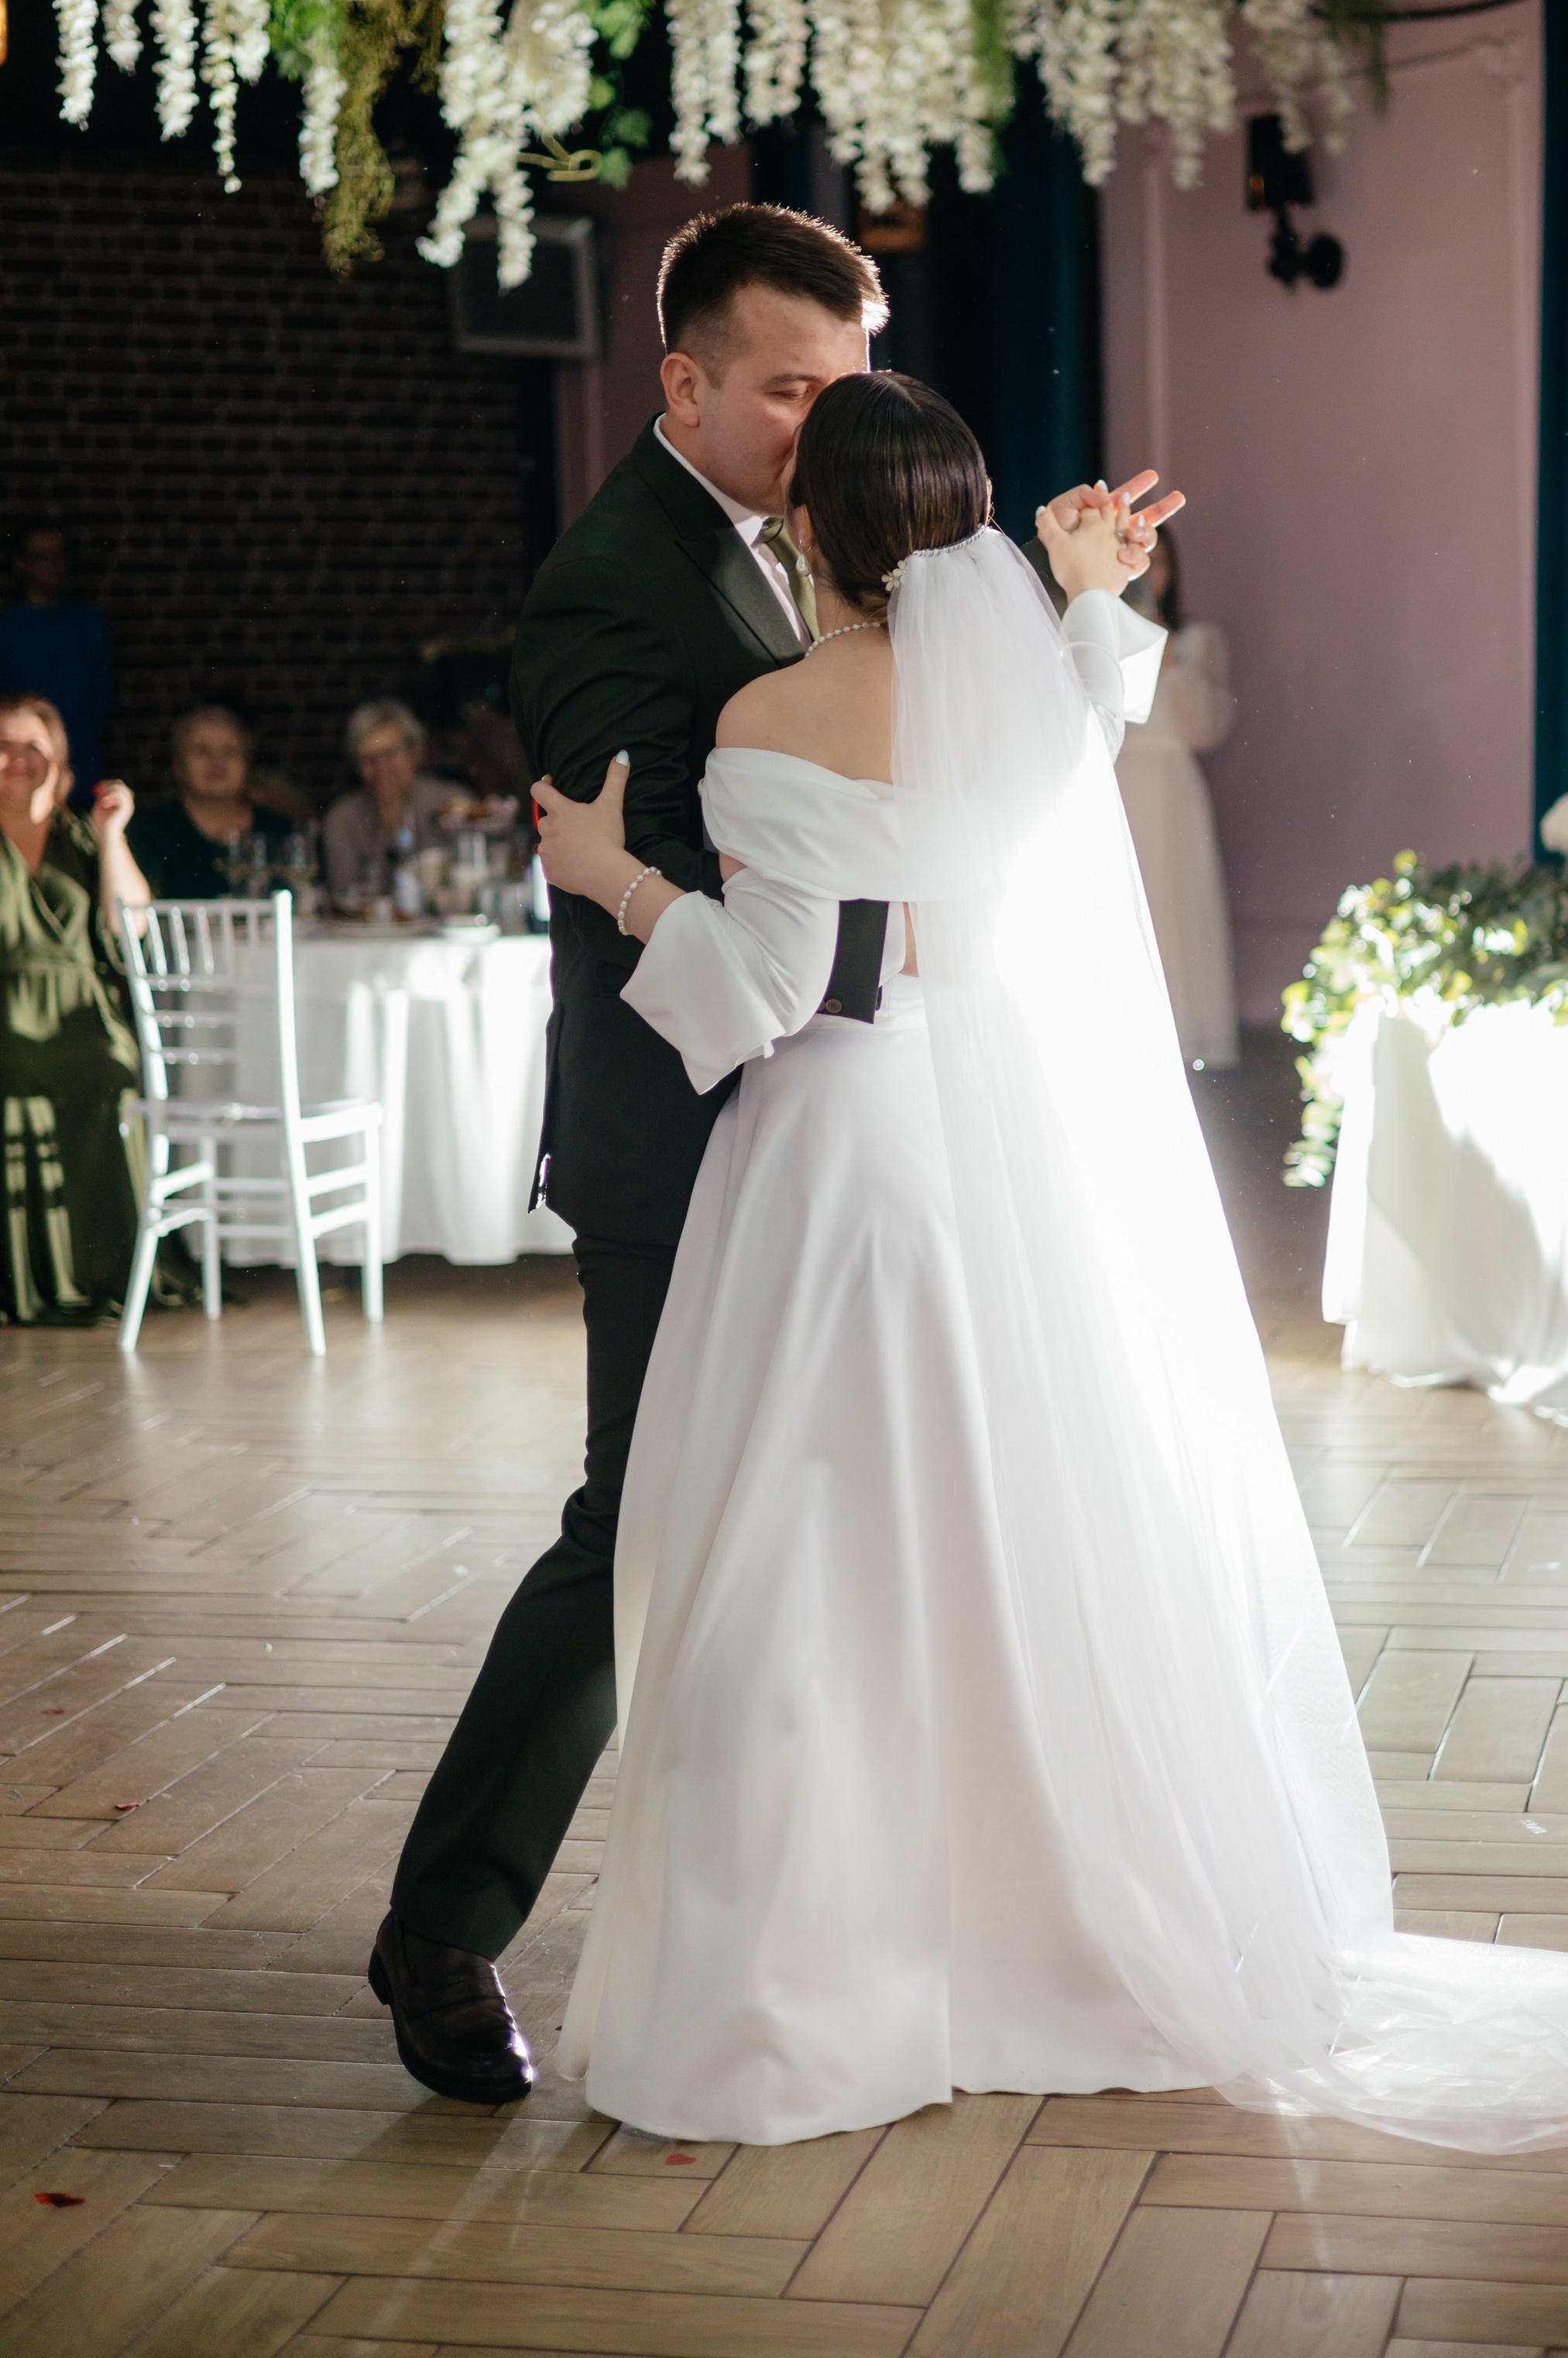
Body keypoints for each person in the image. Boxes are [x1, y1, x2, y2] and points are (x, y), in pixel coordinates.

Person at [528, 375, 1568, 2150]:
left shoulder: (769, 713)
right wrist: (1083, 592)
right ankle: (1039, 1935)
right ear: (956, 526)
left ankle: (807, 1981)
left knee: (807, 1562)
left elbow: (766, 990)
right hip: (1008, 1159)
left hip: (837, 1158)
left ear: (811, 528)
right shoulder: (1025, 711)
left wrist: (612, 875)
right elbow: (1086, 712)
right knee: (1010, 1536)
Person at [368, 201, 1181, 2105]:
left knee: (863, 1540)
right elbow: (678, 862)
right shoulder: (608, 583)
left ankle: (873, 1927)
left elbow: (872, 828)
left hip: (852, 1123)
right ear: (684, 382)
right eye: (791, 391)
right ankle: (446, 1927)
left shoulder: (857, 573)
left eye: (847, 387)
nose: (823, 428)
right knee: (640, 1535)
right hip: (696, 1139)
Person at [0, 692, 158, 1324]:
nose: (16, 759)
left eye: (31, 746)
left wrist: (112, 837)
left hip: (82, 1014)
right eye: (2, 746)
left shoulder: (81, 835)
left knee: (107, 1068)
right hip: (7, 1014)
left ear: (58, 759)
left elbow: (131, 927)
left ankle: (107, 1269)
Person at [1116, 527, 1240, 1069]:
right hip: (1117, 784)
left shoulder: (1197, 640)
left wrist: (1167, 657)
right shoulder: (1098, 636)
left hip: (1171, 788)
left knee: (1177, 909)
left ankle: (1186, 1040)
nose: (1150, 574)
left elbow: (1207, 730)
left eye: (1160, 562)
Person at [129, 707, 300, 901]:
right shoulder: (149, 828)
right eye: (203, 751)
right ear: (178, 766)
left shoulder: (277, 829)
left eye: (230, 751)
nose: (217, 761)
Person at [0, 524, 114, 800]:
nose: (53, 566)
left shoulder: (89, 625)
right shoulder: (7, 629)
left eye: (59, 556)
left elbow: (101, 698)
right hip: (23, 766)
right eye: (42, 557)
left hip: (80, 765)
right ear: (22, 564)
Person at [320, 702, 461, 904]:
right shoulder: (342, 818)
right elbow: (344, 895)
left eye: (390, 754)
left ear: (414, 752)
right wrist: (387, 836)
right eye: (370, 760)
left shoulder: (451, 802)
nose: (382, 768)